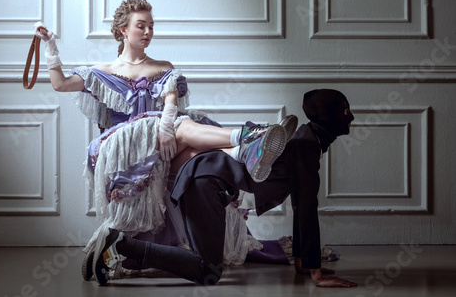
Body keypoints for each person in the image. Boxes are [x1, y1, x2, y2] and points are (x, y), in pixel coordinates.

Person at [33, 0, 298, 278]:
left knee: (199, 156)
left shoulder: (162, 66)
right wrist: (50, 45)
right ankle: (248, 140)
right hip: (126, 148)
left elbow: (171, 102)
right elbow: (60, 84)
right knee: (181, 127)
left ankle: (244, 155)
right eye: (140, 26)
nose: (148, 32)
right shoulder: (103, 72)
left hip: (163, 142)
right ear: (123, 30)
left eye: (151, 26)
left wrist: (165, 126)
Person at [92, 88, 358, 288]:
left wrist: (303, 263)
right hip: (206, 183)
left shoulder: (306, 140)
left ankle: (251, 144)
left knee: (205, 264)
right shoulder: (307, 146)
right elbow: (306, 206)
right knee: (207, 271)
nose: (352, 117)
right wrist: (315, 272)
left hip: (205, 179)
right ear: (329, 117)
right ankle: (121, 245)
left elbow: (302, 205)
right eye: (345, 111)